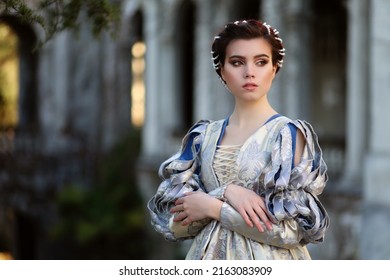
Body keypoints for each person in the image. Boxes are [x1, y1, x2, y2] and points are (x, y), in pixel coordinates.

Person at [147, 19, 330, 260]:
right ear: (222, 70)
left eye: (261, 62)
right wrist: (225, 192)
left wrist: (214, 206)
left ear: (274, 69)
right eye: (237, 62)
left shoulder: (287, 135)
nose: (249, 72)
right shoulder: (202, 138)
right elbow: (176, 225)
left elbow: (290, 231)